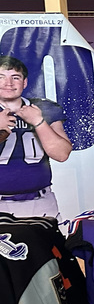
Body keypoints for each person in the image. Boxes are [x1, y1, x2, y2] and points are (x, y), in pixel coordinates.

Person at [0, 55, 73, 218]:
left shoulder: (43, 107)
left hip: (40, 202)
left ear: (24, 82)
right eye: (1, 77)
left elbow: (61, 154)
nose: (8, 83)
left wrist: (38, 122)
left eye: (15, 77)